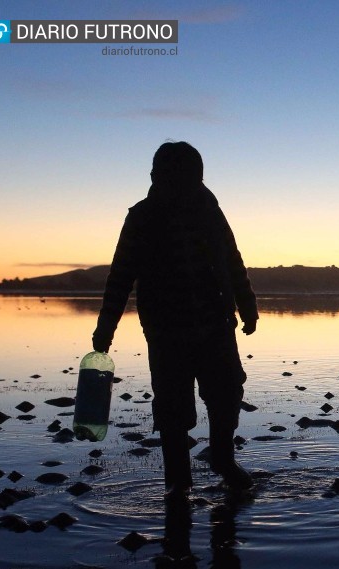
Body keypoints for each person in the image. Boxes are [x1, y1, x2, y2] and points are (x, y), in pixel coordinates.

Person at [92, 141, 258, 494]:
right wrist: (106, 327)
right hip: (166, 333)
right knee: (171, 407)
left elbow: (232, 260)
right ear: (156, 177)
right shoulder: (142, 217)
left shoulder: (211, 213)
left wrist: (247, 305)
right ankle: (177, 484)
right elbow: (120, 277)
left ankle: (223, 459)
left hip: (216, 326)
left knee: (225, 394)